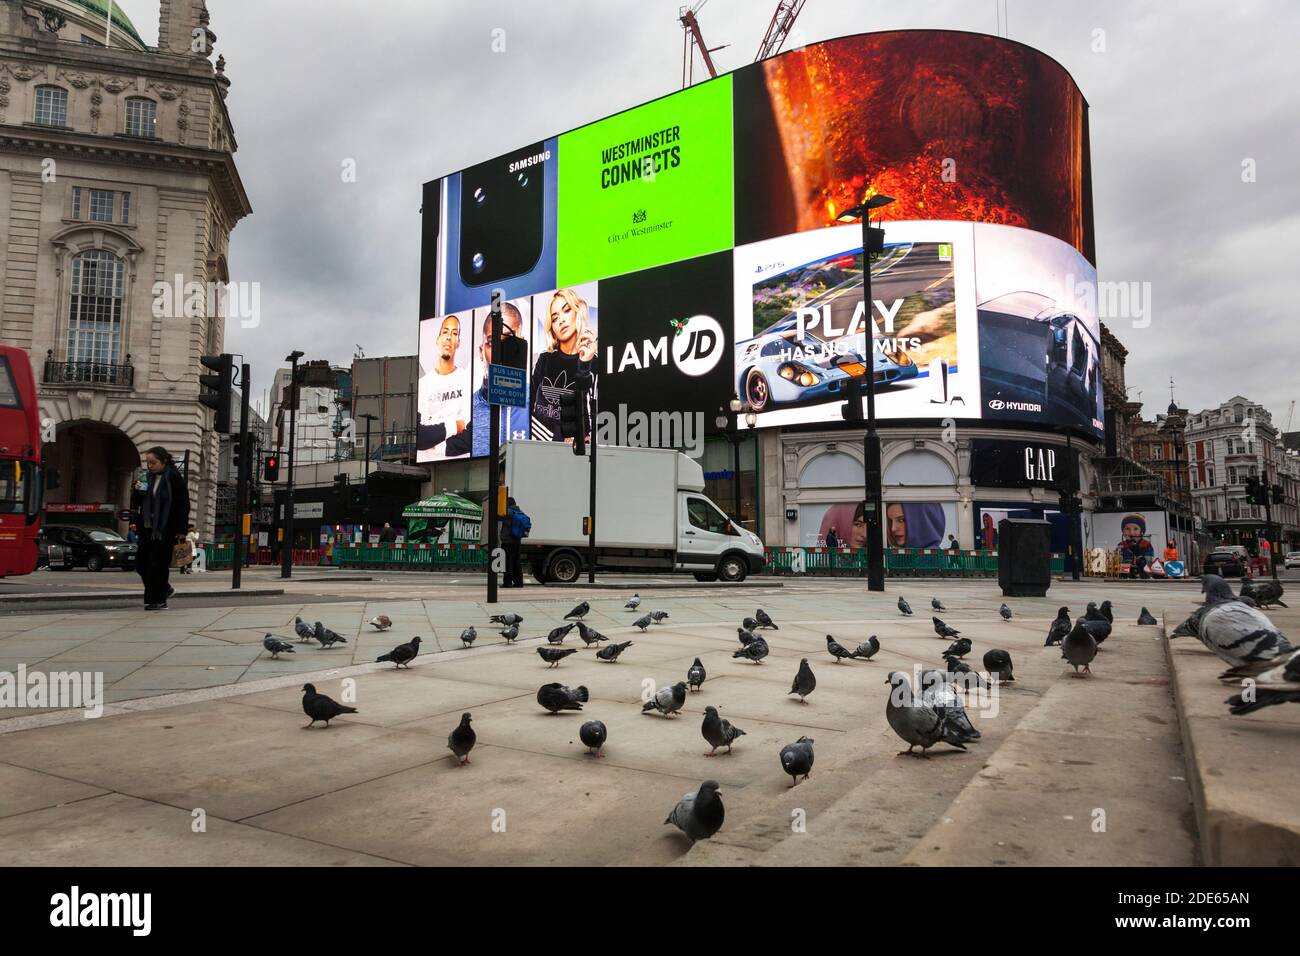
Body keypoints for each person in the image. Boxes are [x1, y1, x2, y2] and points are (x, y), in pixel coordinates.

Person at [530, 288, 597, 443]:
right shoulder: (545, 360)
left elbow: (592, 418)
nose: (561, 320)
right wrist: (557, 437)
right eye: (554, 318)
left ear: (577, 312)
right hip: (541, 449)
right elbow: (526, 410)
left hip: (578, 456)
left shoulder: (593, 361)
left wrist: (585, 365)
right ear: (551, 327)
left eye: (566, 310)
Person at [135, 446, 190, 610]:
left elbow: (182, 505)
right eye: (148, 462)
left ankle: (157, 600)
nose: (150, 466)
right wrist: (137, 491)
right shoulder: (146, 478)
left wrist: (181, 529)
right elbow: (137, 503)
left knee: (157, 565)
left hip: (167, 529)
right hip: (147, 529)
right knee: (141, 564)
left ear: (164, 461)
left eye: (153, 462)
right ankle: (165, 589)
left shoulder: (174, 479)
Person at [472, 303, 529, 457]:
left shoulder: (536, 402)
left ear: (521, 347)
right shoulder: (469, 410)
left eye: (509, 343)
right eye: (492, 343)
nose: (500, 353)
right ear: (481, 351)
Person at [417, 314, 472, 458]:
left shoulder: (468, 380)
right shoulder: (423, 385)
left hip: (463, 464)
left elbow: (471, 435)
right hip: (426, 466)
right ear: (438, 339)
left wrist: (437, 445)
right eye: (445, 332)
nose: (448, 337)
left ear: (458, 342)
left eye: (454, 333)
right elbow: (419, 437)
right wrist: (455, 425)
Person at [500, 496, 529, 588]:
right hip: (517, 540)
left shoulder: (508, 512)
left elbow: (497, 517)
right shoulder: (520, 511)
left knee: (507, 562)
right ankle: (519, 582)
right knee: (517, 562)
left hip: (507, 541)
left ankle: (507, 583)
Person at [1118, 513, 1155, 578]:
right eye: (1127, 529)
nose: (1131, 533)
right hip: (1126, 569)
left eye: (1135, 529)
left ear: (1142, 532)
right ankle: (1126, 574)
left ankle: (1143, 574)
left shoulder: (1146, 544)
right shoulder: (1122, 545)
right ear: (1123, 532)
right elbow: (1118, 558)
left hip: (1141, 568)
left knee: (1142, 560)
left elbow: (1149, 559)